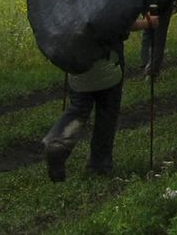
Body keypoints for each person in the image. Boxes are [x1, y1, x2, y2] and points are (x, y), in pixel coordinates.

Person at [43, 9, 158, 181]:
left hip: (77, 63)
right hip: (108, 62)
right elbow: (122, 23)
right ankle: (99, 165)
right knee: (107, 112)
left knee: (78, 109)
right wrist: (148, 23)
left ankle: (57, 141)